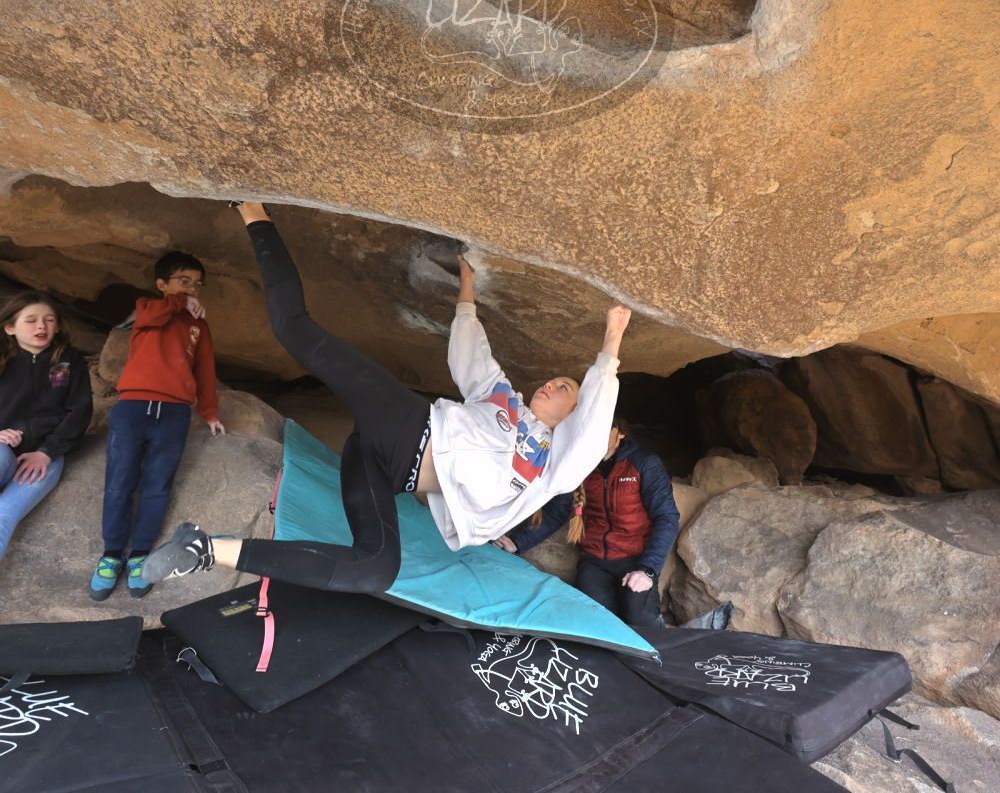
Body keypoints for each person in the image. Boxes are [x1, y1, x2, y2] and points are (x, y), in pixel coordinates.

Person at [143, 203, 631, 596]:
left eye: (565, 389)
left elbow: (590, 434)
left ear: (573, 413)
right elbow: (471, 355)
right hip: (405, 421)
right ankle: (254, 213)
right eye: (554, 380)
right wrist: (466, 288)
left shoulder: (551, 466)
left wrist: (611, 345)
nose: (551, 385)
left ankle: (204, 550)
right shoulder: (503, 399)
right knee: (296, 331)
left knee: (373, 570)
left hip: (386, 467)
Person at [89, 251, 225, 600]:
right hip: (133, 407)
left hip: (175, 412)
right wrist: (180, 301)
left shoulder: (199, 325)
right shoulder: (148, 308)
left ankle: (139, 555)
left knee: (157, 484)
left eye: (197, 284)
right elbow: (156, 314)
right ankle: (111, 555)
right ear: (162, 284)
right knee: (119, 482)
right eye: (184, 281)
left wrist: (210, 412)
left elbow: (205, 369)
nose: (192, 289)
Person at [493, 416, 679, 626]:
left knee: (640, 619)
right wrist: (518, 542)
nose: (597, 434)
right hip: (595, 561)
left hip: (635, 559)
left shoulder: (644, 463)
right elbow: (558, 511)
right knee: (594, 622)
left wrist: (648, 569)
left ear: (620, 433)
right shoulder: (580, 466)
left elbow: (667, 517)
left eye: (605, 428)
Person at [0, 291, 93, 560]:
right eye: (31, 320)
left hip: (43, 457)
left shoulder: (69, 361)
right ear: (9, 328)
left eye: (49, 320)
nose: (41, 326)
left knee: (4, 516)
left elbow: (80, 411)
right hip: (3, 451)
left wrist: (46, 452)